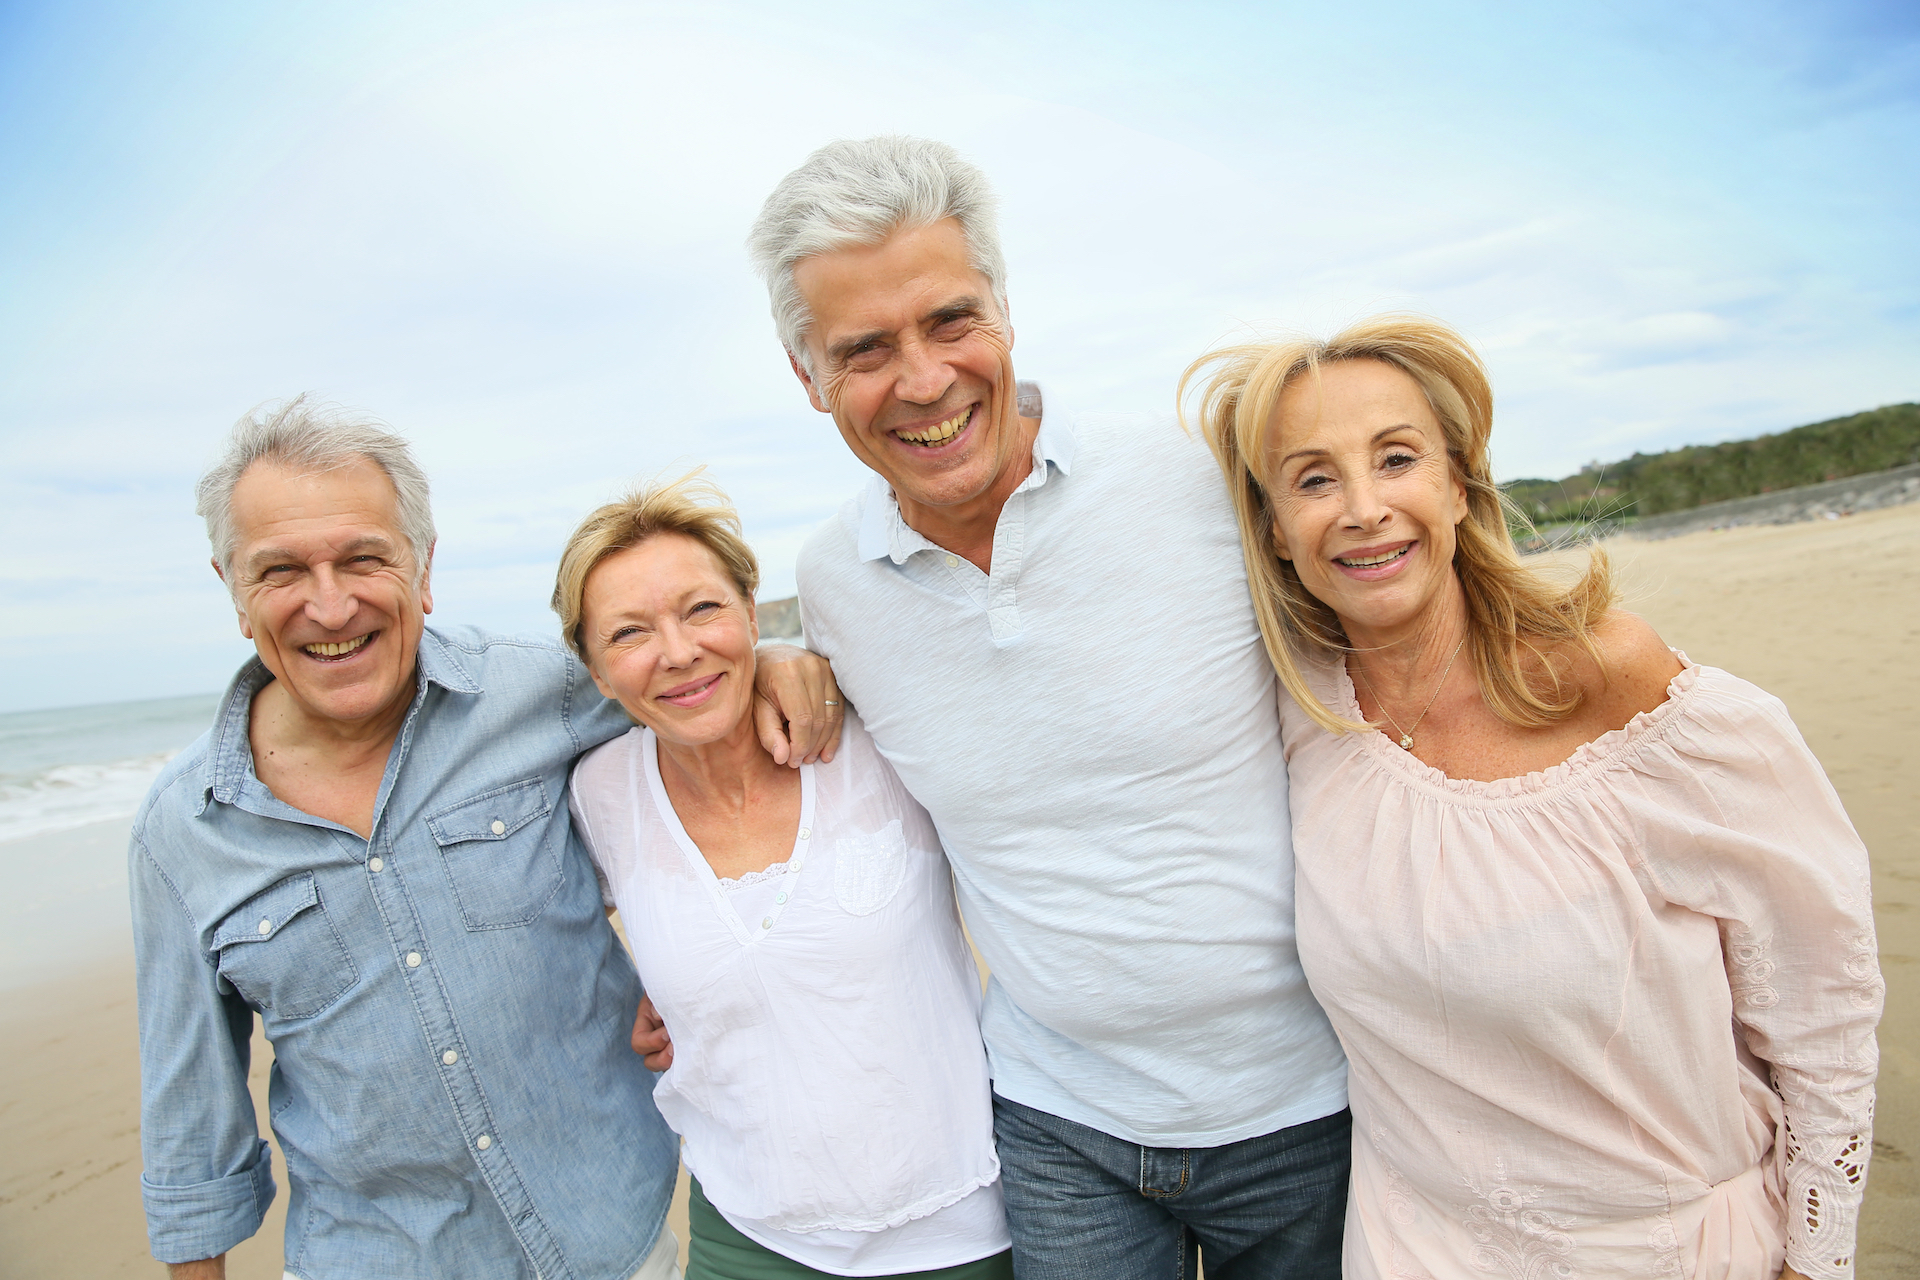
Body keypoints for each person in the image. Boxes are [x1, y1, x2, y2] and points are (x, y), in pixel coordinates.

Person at [716, 136, 1354, 1278]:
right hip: (1058, 1123)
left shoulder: (1196, 479)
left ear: (1005, 313)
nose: (922, 378)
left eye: (951, 320)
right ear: (808, 378)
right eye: (864, 348)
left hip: (1314, 1101)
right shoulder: (832, 584)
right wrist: (779, 658)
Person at [1186, 314, 1883, 1280]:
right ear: (1272, 527)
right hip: (1410, 1251)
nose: (1361, 507)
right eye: (1311, 478)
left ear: (1458, 486)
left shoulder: (1615, 682)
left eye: (1396, 459)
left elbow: (1823, 997)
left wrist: (1817, 1254)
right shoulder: (1299, 712)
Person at [131, 398, 840, 1280]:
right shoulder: (181, 829)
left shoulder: (541, 693)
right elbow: (191, 1121)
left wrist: (777, 661)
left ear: (423, 569)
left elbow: (683, 692)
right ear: (234, 590)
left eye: (364, 558)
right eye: (280, 571)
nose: (330, 601)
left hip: (625, 1239)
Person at [553, 472, 1013, 1280]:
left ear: (749, 611)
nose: (679, 651)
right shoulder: (599, 792)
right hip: (749, 1235)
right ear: (594, 672)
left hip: (964, 1226)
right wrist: (629, 992)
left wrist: (792, 657)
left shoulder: (874, 734)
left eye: (703, 609)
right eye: (629, 634)